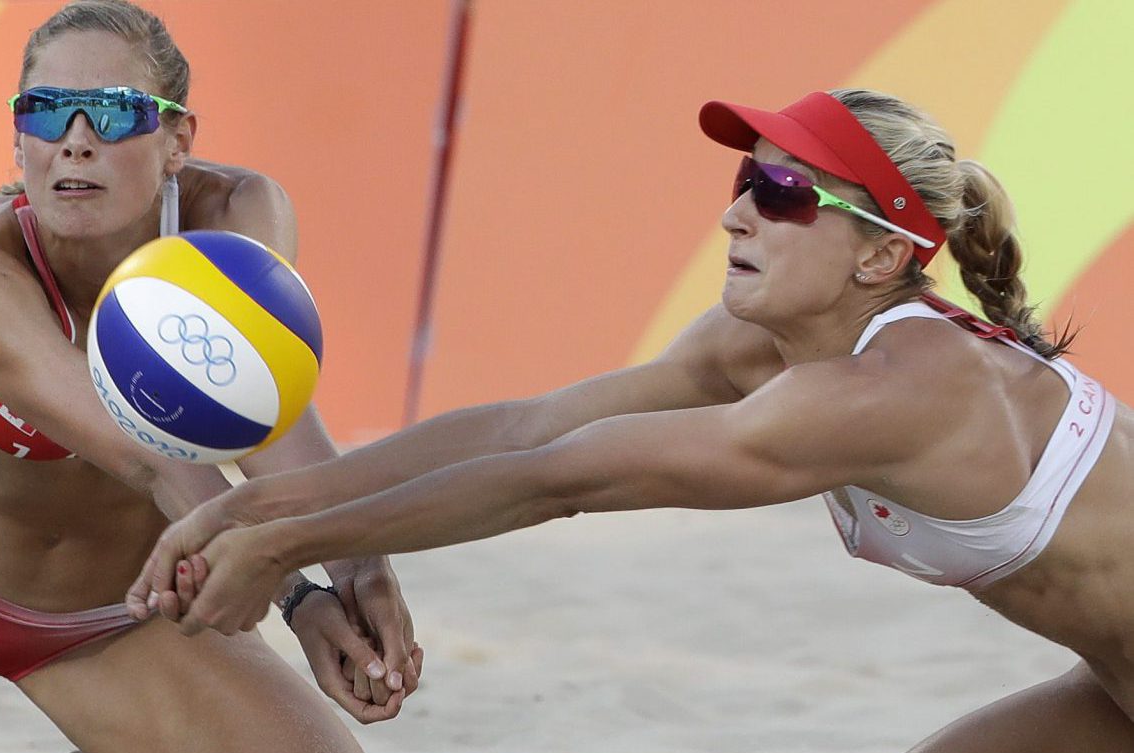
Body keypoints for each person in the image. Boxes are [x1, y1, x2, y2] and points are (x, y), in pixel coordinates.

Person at [134, 87, 1134, 750]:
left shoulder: (897, 390)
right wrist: (247, 513)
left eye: (783, 193)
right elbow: (527, 431)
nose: (735, 213)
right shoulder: (760, 346)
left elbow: (564, 482)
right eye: (744, 181)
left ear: (878, 257)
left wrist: (285, 544)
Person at [0, 1, 423, 749]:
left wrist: (360, 569)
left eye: (113, 114)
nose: (76, 142)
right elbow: (145, 452)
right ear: (19, 138)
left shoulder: (237, 214)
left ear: (177, 138)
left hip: (108, 615)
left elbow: (266, 419)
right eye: (48, 112)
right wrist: (295, 592)